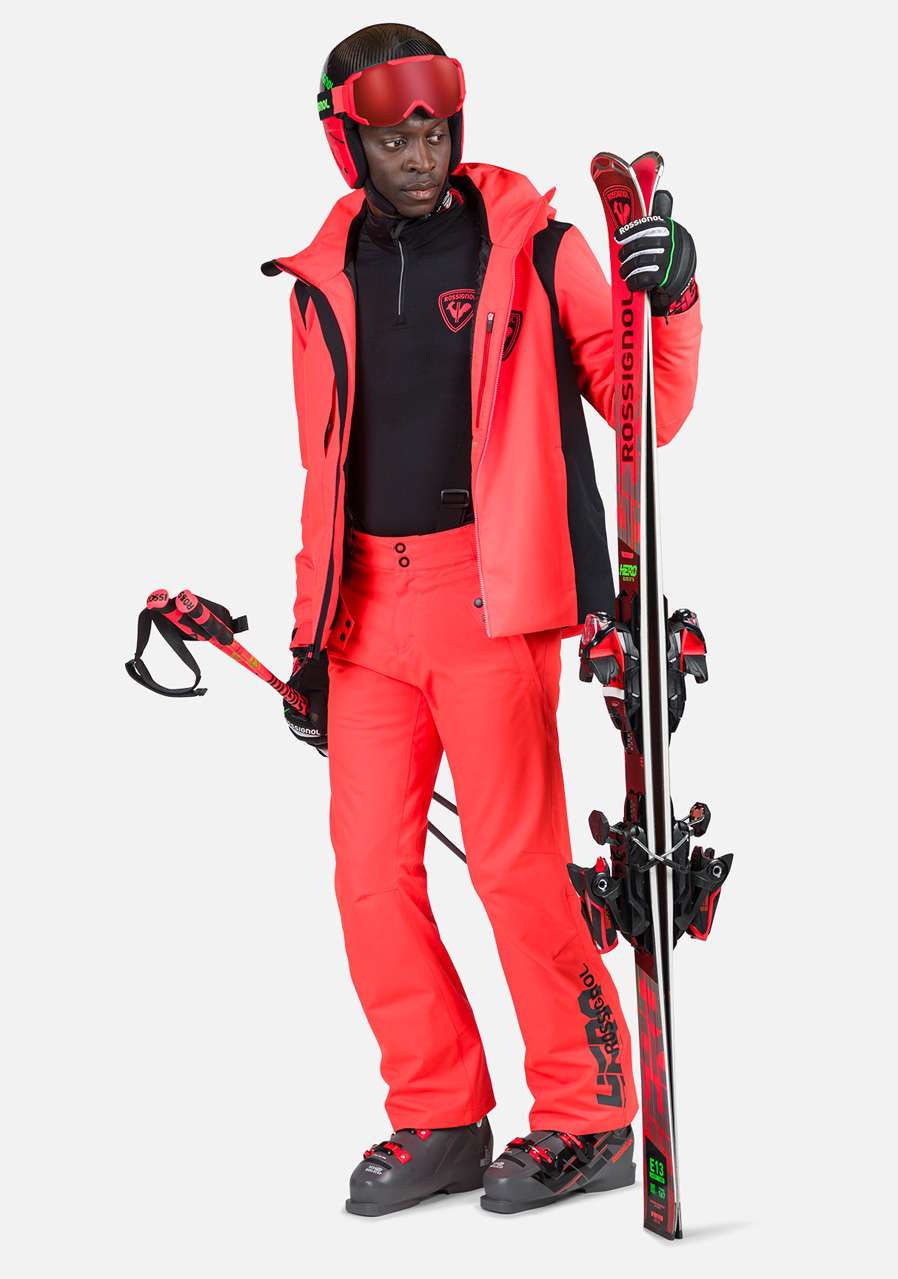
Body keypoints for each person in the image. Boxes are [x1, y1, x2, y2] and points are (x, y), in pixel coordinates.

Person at [262, 22, 701, 1217]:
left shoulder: (535, 247)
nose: (421, 153)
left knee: (513, 867)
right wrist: (308, 637)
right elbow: (322, 471)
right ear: (347, 141)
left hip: (488, 596)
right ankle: (439, 1114)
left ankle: (586, 1114)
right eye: (393, 136)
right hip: (363, 610)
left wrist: (670, 292)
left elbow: (640, 406)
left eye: (436, 128)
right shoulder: (320, 283)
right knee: (368, 876)